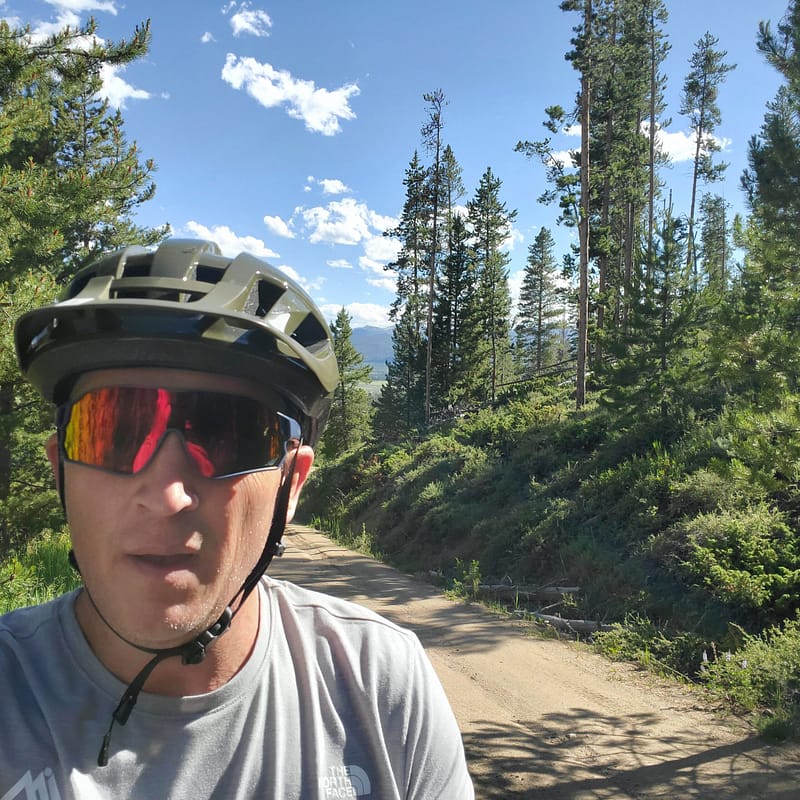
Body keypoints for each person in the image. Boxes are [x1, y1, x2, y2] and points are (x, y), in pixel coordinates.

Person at [2, 239, 474, 799]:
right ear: (61, 471)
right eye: (113, 432)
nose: (167, 495)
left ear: (291, 483)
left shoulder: (381, 684)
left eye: (226, 436)